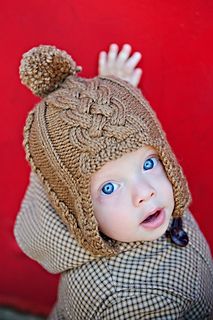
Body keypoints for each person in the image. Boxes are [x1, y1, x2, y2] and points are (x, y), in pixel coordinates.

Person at [14, 44, 213, 319]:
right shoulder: (127, 299)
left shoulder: (140, 212)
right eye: (109, 187)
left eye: (148, 163)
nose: (145, 192)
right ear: (76, 208)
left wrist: (111, 100)